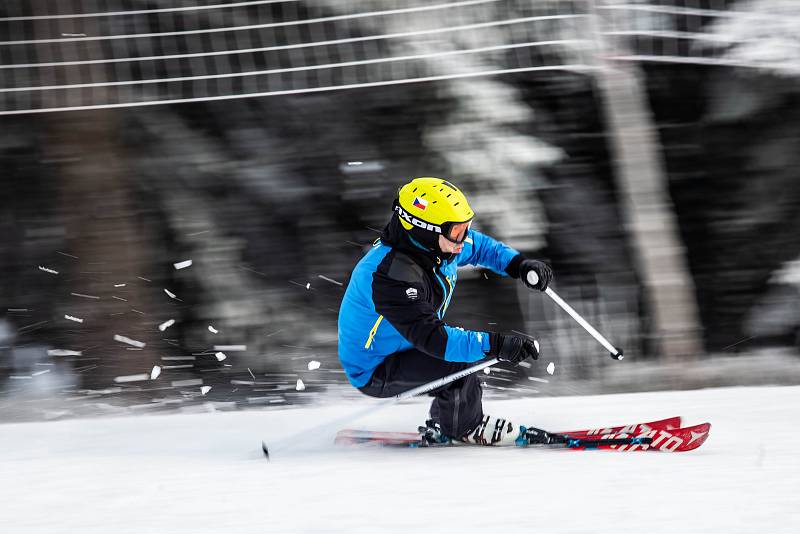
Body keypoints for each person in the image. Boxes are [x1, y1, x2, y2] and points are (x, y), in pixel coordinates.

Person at [337, 177, 553, 445]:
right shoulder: (391, 277)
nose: (463, 239)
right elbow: (435, 339)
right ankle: (465, 427)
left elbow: (483, 248)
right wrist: (497, 345)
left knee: (462, 348)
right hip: (375, 368)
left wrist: (520, 265)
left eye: (466, 228)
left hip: (404, 346)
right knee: (458, 360)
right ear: (424, 230)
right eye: (457, 232)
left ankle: (446, 420)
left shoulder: (439, 248)